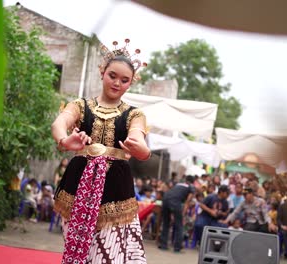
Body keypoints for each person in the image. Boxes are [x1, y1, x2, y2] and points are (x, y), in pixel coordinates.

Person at [51, 39, 151, 264]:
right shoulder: (80, 105)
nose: (117, 83)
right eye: (112, 76)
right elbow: (60, 122)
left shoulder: (135, 114)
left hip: (115, 187)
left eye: (124, 80)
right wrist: (65, 140)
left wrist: (139, 147)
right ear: (102, 72)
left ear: (130, 83)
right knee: (77, 248)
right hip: (78, 186)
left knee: (110, 252)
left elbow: (138, 136)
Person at [159, 175, 195, 252]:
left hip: (165, 198)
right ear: (193, 182)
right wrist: (183, 214)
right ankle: (177, 247)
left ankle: (163, 245)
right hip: (175, 201)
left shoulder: (178, 184)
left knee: (166, 223)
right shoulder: (191, 187)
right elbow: (187, 202)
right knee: (179, 225)